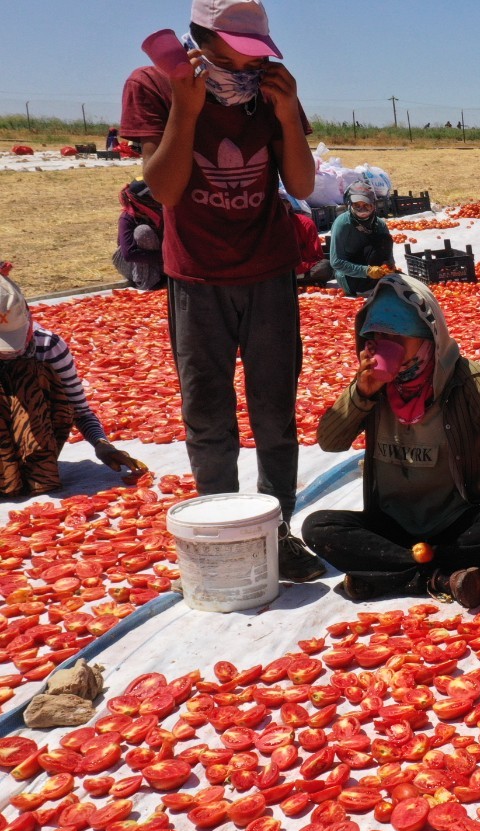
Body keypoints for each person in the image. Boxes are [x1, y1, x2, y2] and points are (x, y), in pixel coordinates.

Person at [120, 0, 325, 582]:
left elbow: (304, 184)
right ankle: (223, 531)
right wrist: (187, 110)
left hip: (269, 271)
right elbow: (163, 190)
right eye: (242, 54)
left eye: (260, 56)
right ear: (205, 42)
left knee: (275, 414)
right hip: (197, 276)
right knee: (208, 414)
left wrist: (287, 117)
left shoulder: (271, 91)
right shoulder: (157, 86)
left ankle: (276, 530)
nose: (251, 68)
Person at [303, 275, 480, 607]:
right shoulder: (372, 386)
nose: (379, 345)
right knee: (318, 527)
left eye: (393, 337)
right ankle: (437, 578)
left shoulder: (469, 380)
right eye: (374, 336)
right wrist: (361, 394)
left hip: (456, 520)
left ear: (426, 339)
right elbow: (329, 441)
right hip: (391, 524)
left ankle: (388, 572)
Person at [0, 276, 147, 496]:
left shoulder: (49, 346)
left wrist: (101, 444)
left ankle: (33, 469)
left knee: (32, 374)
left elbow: (79, 409)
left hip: (34, 436)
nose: (14, 351)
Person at [327, 183, 393, 295]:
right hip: (350, 277)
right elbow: (336, 262)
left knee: (384, 239)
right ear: (350, 204)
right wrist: (366, 271)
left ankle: (377, 282)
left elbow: (388, 253)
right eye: (357, 205)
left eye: (366, 204)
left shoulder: (379, 224)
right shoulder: (342, 224)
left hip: (375, 272)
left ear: (374, 204)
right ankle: (365, 287)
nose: (362, 209)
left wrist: (388, 266)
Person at [112, 180, 166, 292]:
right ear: (143, 198)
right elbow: (130, 254)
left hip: (159, 261)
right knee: (143, 232)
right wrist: (165, 256)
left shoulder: (162, 211)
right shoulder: (127, 218)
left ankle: (163, 276)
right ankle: (148, 282)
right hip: (130, 264)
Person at [284, 195, 333, 286]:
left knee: (325, 267)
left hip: (300, 269)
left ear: (288, 205)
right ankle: (299, 280)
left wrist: (296, 268)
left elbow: (317, 257)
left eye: (280, 204)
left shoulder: (306, 223)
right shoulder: (265, 227)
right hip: (278, 271)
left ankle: (293, 280)